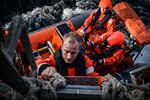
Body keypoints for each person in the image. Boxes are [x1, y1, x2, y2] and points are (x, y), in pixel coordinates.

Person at [35, 31, 100, 79]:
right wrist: (45, 68)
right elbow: (38, 63)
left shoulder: (85, 61)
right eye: (66, 51)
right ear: (62, 47)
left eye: (73, 53)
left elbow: (94, 77)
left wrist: (102, 81)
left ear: (79, 50)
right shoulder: (54, 59)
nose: (69, 57)